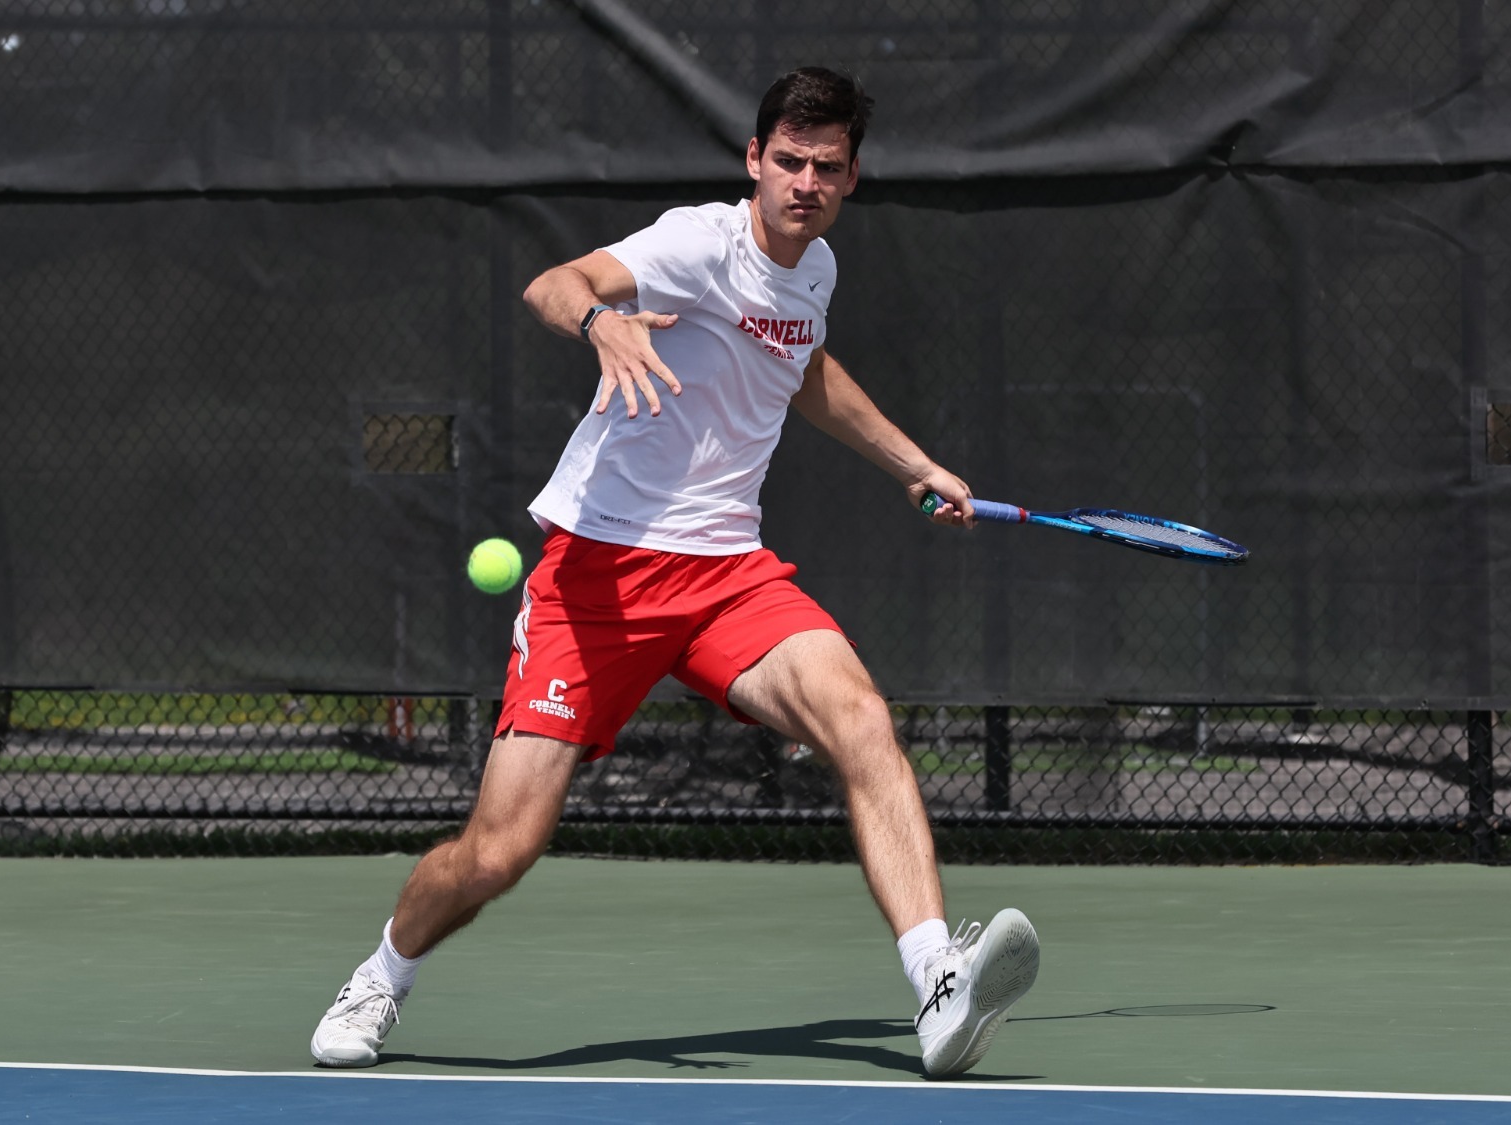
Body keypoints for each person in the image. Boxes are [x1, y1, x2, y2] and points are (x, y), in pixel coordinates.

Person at [311, 66, 1038, 1079]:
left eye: (827, 167)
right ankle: (381, 975)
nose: (805, 183)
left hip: (727, 576)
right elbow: (553, 285)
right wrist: (599, 321)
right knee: (499, 852)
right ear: (755, 159)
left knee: (860, 719)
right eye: (789, 161)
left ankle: (936, 982)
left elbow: (803, 369)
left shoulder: (815, 271)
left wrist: (911, 465)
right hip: (597, 583)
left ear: (851, 178)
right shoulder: (697, 244)